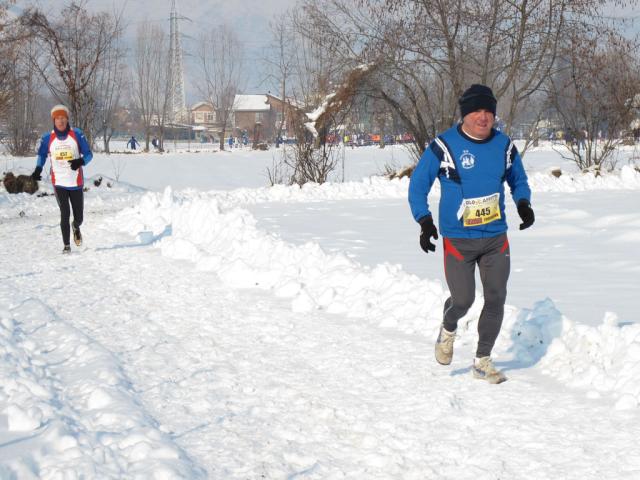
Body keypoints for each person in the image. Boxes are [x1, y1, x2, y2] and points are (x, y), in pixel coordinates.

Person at [408, 84, 535, 384]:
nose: (483, 116)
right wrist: (424, 221)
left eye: (488, 110)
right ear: (465, 114)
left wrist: (524, 203)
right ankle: (448, 326)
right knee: (463, 300)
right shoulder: (444, 146)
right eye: (477, 110)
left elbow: (519, 180)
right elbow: (417, 185)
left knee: (496, 297)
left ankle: (482, 360)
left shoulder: (504, 146)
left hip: (495, 238)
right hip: (458, 241)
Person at [31, 104, 93, 254]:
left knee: (79, 217)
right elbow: (41, 155)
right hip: (58, 183)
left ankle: (76, 226)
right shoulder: (47, 138)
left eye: (63, 118)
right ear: (54, 120)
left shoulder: (77, 134)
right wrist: (38, 169)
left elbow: (89, 154)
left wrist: (80, 162)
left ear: (67, 119)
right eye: (57, 118)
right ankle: (66, 246)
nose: (60, 121)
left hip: (76, 183)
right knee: (64, 213)